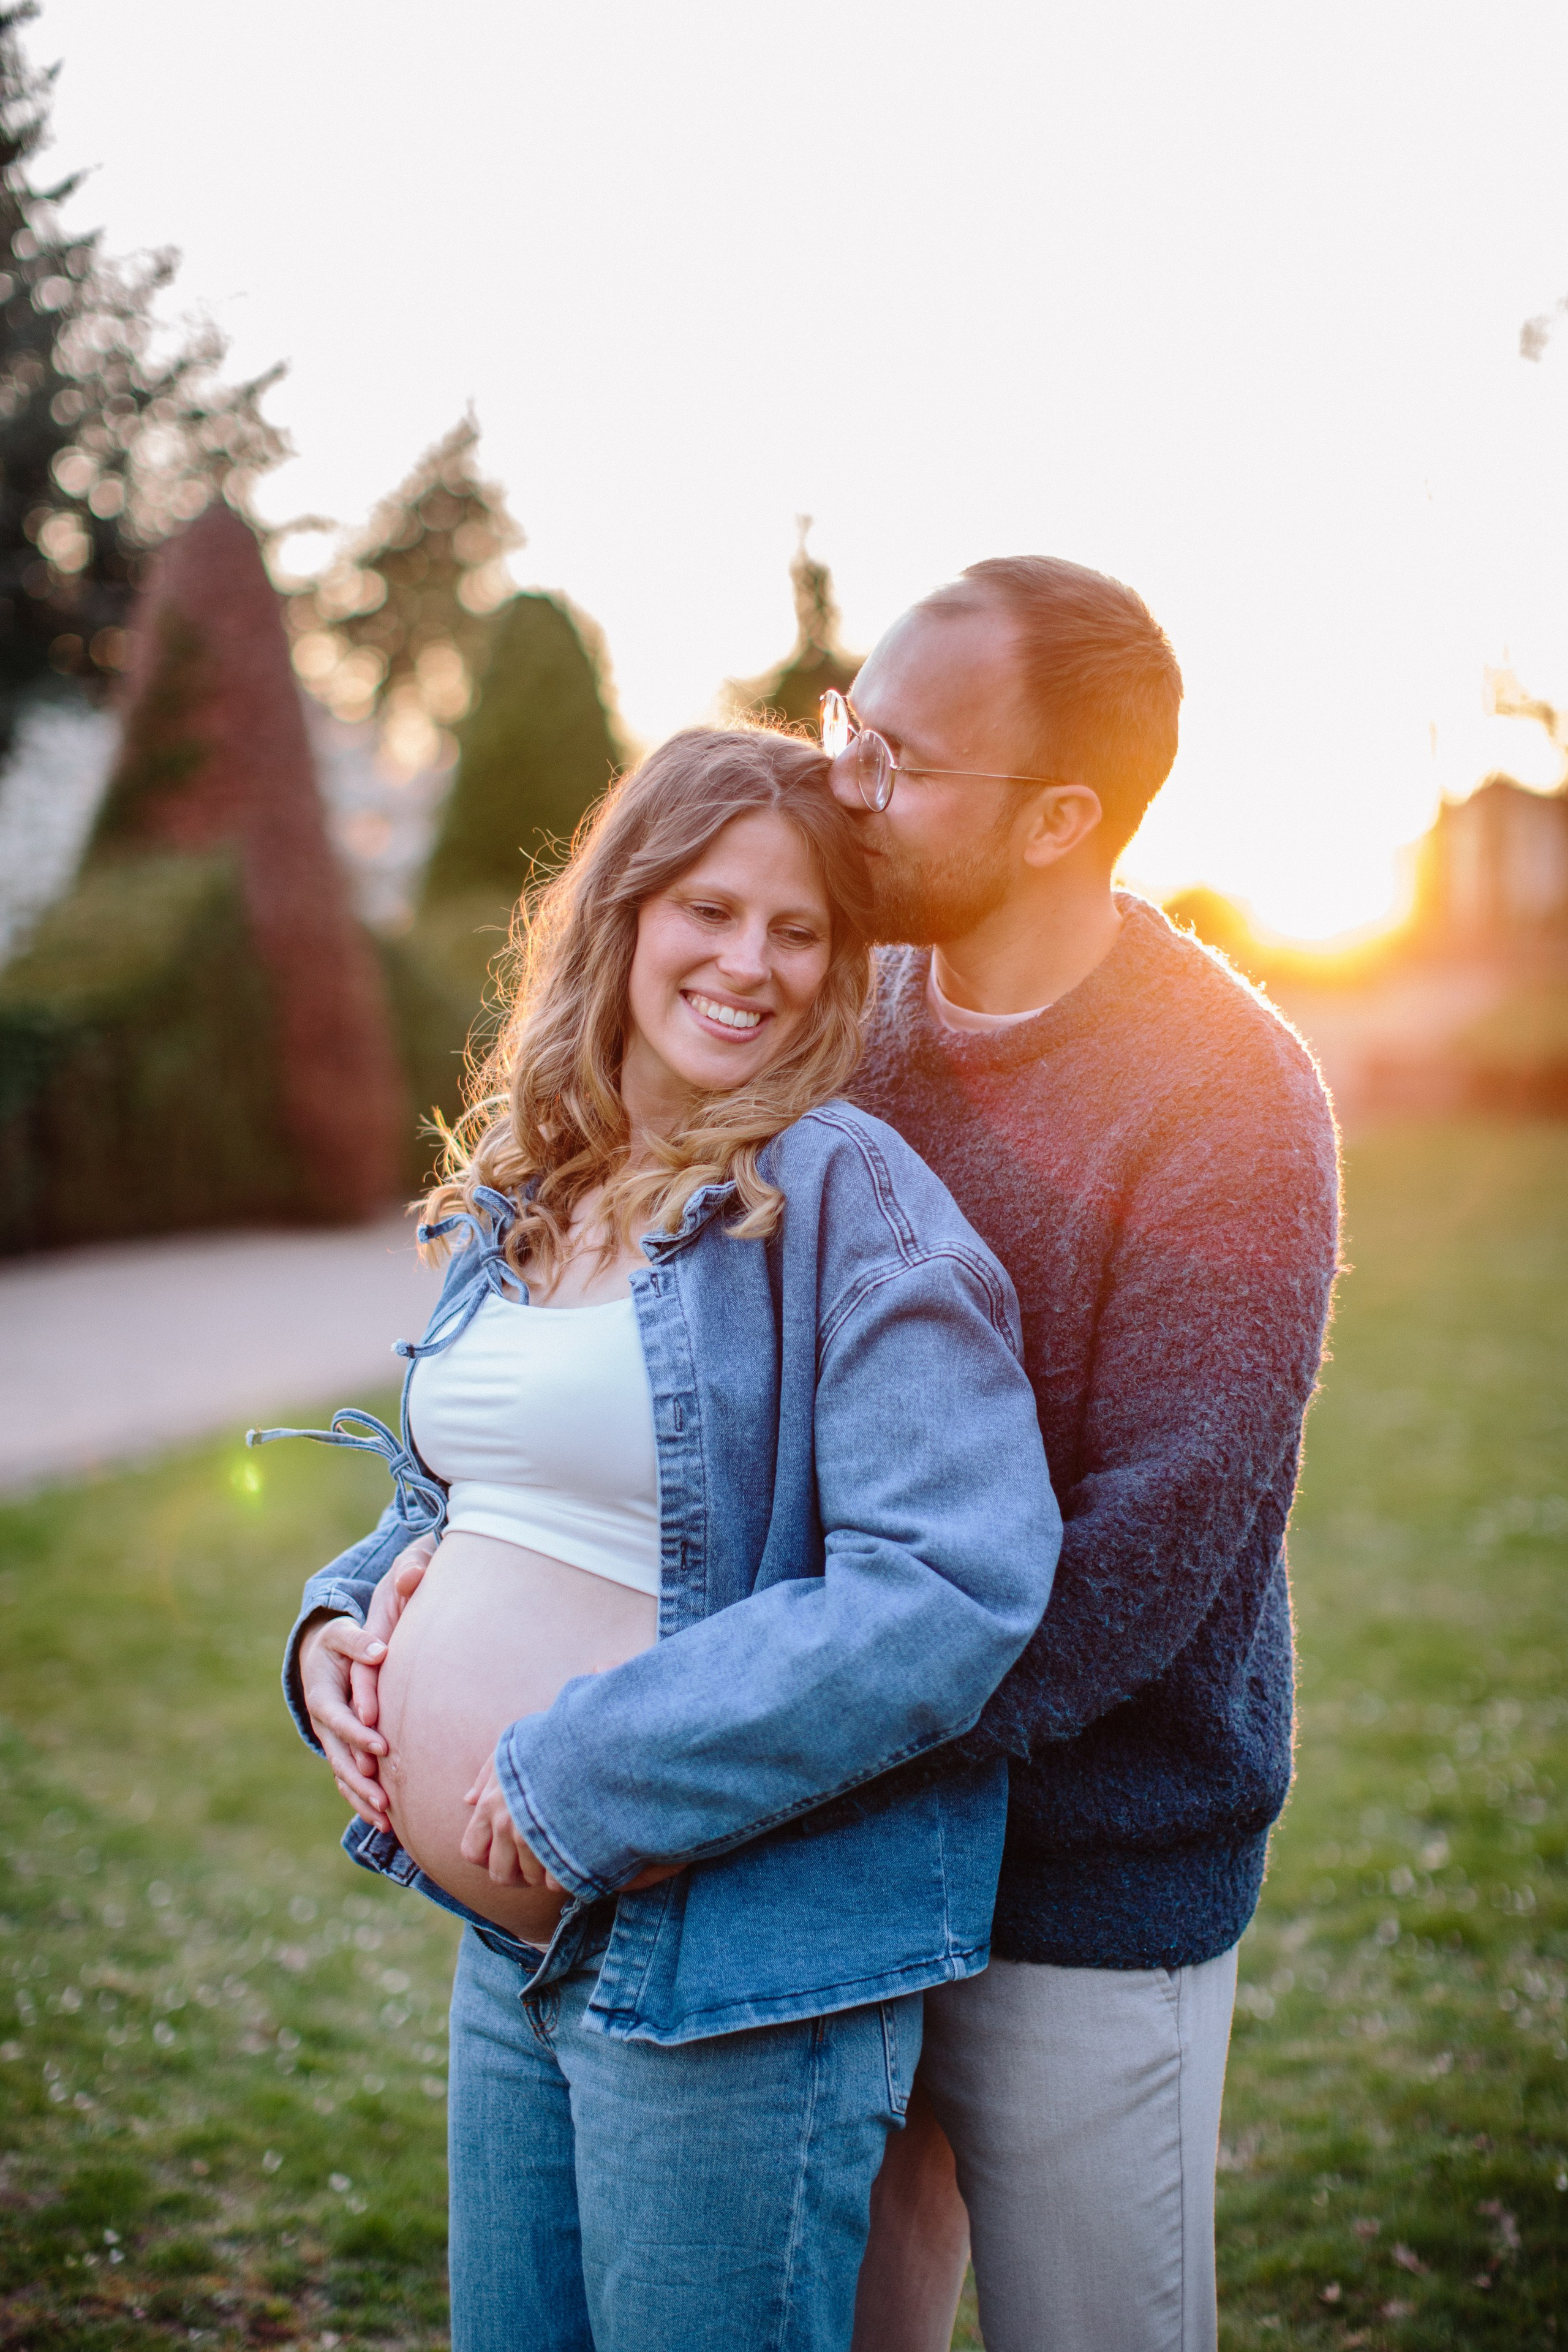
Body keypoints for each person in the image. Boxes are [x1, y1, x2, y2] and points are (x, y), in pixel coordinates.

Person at [261, 725, 1061, 2352]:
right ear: (623, 911)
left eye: (800, 929)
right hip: (511, 1962)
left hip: (723, 1969)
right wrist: (340, 1634)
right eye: (709, 907)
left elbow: (953, 1587)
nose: (749, 964)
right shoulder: (534, 1185)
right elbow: (468, 1501)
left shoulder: (850, 1201)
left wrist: (587, 1773)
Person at [831, 558, 1341, 2352]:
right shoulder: (834, 1020)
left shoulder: (1228, 1092)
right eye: (848, 727)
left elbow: (1158, 1538)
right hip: (835, 1864)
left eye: (899, 756)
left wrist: (811, 1738)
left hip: (1093, 1863)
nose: (847, 786)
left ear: (1062, 817)